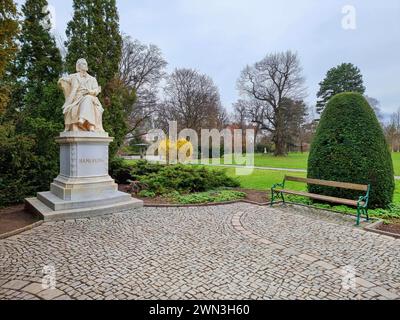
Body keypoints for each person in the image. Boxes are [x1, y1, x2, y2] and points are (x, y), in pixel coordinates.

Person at [58, 58, 104, 132]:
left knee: (88, 98)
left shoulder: (92, 79)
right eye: (83, 64)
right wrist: (61, 81)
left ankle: (83, 120)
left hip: (90, 96)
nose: (85, 65)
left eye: (86, 63)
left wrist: (90, 91)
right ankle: (90, 125)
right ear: (78, 66)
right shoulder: (73, 76)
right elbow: (65, 80)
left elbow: (96, 90)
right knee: (86, 99)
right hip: (77, 99)